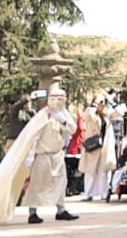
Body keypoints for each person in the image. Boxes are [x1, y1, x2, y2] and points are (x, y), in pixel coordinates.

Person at [17, 93, 80, 224]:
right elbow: (34, 136)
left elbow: (73, 129)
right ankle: (32, 213)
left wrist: (62, 120)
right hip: (42, 155)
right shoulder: (42, 115)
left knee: (61, 182)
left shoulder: (63, 113)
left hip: (57, 154)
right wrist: (30, 156)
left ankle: (61, 210)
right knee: (37, 184)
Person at [78, 98, 116, 202]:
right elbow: (86, 115)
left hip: (104, 146)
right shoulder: (90, 113)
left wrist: (111, 101)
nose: (102, 104)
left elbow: (118, 112)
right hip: (93, 145)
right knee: (90, 170)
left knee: (102, 171)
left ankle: (103, 193)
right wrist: (95, 105)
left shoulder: (106, 114)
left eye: (103, 102)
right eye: (100, 102)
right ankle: (88, 193)